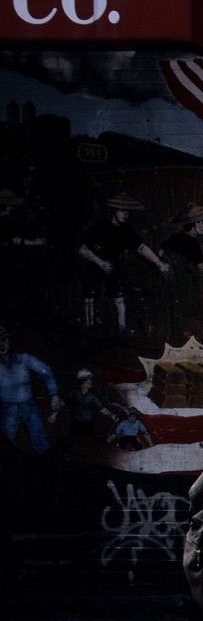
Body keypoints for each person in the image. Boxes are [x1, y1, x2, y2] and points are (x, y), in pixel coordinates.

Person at [77, 191, 168, 330]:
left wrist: (159, 263)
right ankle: (89, 329)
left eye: (127, 211)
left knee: (119, 299)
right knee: (90, 298)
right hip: (95, 266)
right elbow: (82, 249)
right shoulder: (100, 227)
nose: (125, 213)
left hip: (112, 266)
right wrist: (100, 263)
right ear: (114, 211)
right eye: (122, 210)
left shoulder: (127, 230)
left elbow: (141, 248)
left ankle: (122, 329)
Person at [0, 325, 58, 454]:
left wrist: (54, 394)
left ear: (8, 341)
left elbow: (46, 371)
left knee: (41, 443)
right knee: (6, 447)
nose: (1, 345)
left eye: (3, 340)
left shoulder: (24, 359)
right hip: (8, 409)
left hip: (29, 406)